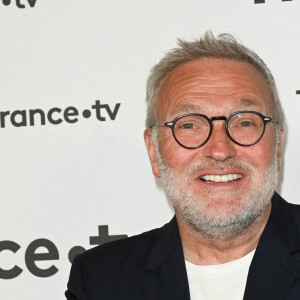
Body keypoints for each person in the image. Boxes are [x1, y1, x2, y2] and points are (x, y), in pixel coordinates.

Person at [65, 31, 300, 300]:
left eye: (245, 122)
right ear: (154, 151)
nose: (220, 150)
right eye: (188, 125)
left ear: (278, 144)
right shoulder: (100, 279)